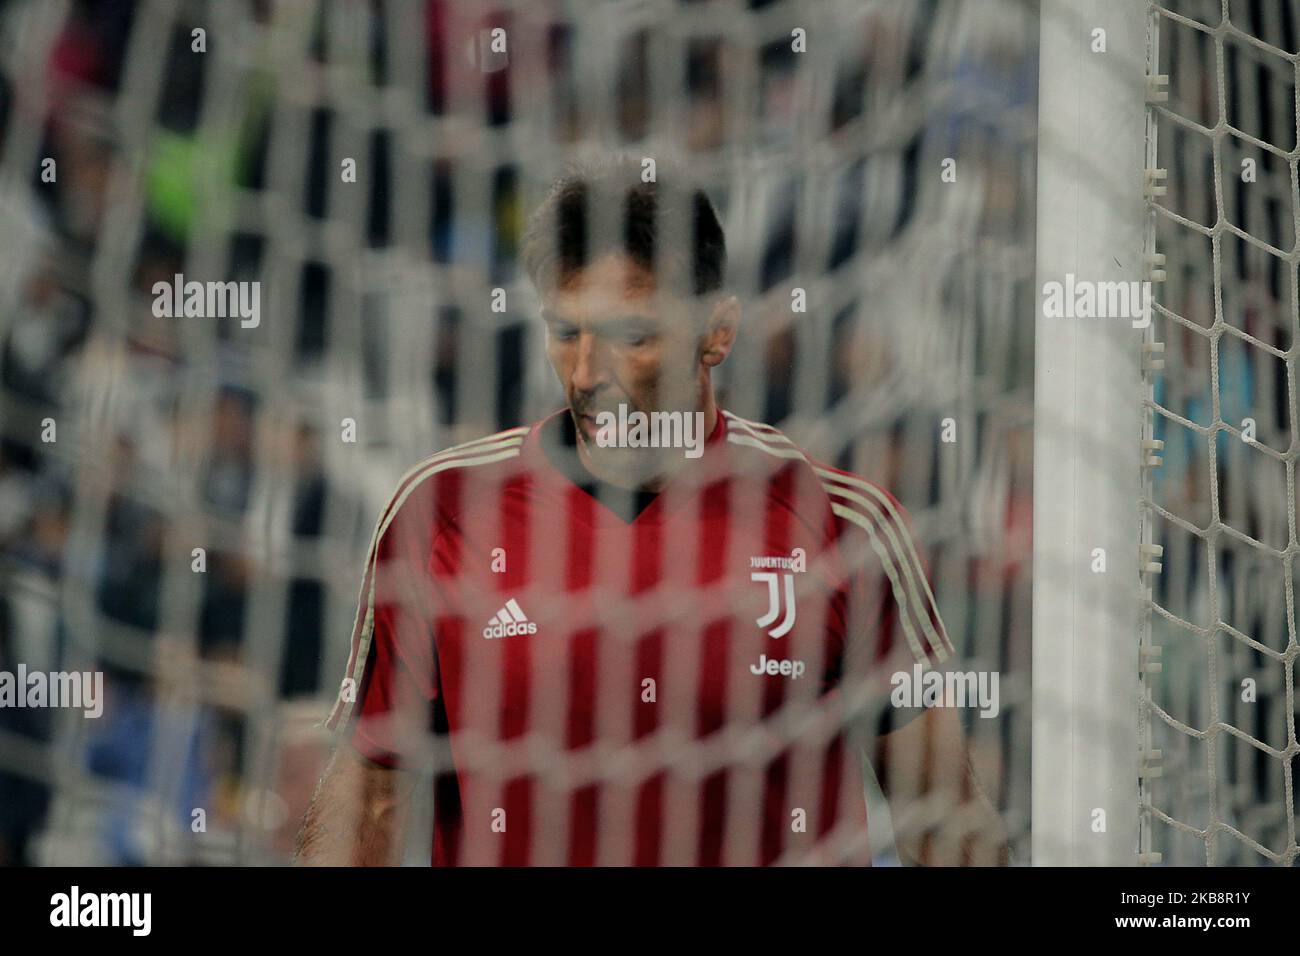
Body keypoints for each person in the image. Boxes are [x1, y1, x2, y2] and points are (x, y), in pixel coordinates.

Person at [296, 158, 1005, 866]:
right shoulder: (442, 514)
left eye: (630, 335)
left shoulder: (842, 524)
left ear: (717, 332)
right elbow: (370, 812)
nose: (584, 373)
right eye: (565, 332)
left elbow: (941, 824)